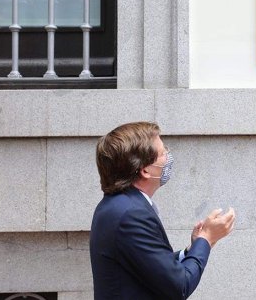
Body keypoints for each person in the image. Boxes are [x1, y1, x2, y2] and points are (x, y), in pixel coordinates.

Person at [90, 122, 235, 299]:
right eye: (163, 152)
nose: (168, 156)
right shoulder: (131, 214)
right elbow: (180, 286)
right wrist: (207, 238)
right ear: (144, 170)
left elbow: (151, 266)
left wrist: (193, 249)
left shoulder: (119, 205)